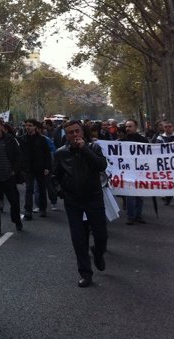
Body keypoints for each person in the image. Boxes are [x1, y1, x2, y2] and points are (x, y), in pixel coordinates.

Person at [52, 120, 108, 288]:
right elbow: (55, 176)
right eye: (71, 133)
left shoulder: (94, 148)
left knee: (101, 235)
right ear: (66, 136)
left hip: (93, 198)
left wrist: (84, 149)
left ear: (82, 132)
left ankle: (98, 253)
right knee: (78, 238)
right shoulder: (61, 153)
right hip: (73, 201)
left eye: (77, 131)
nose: (75, 135)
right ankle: (85, 273)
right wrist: (60, 191)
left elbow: (100, 165)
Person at [20, 119, 52, 220]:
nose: (27, 127)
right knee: (29, 189)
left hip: (40, 167)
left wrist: (47, 167)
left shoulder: (42, 139)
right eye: (26, 125)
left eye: (30, 125)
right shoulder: (22, 139)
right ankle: (28, 211)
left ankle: (43, 208)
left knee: (42, 189)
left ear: (35, 127)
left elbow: (47, 154)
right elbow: (19, 154)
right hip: (28, 168)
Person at [121, 119, 148, 225]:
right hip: (128, 171)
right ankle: (131, 216)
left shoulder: (143, 140)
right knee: (130, 195)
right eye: (126, 126)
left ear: (136, 127)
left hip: (140, 171)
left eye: (130, 126)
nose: (127, 128)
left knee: (140, 195)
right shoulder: (122, 141)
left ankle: (138, 215)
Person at [155, 121, 174, 208]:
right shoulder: (160, 138)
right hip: (166, 164)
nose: (168, 128)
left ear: (173, 127)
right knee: (168, 182)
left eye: (169, 126)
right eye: (166, 127)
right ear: (164, 128)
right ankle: (168, 198)